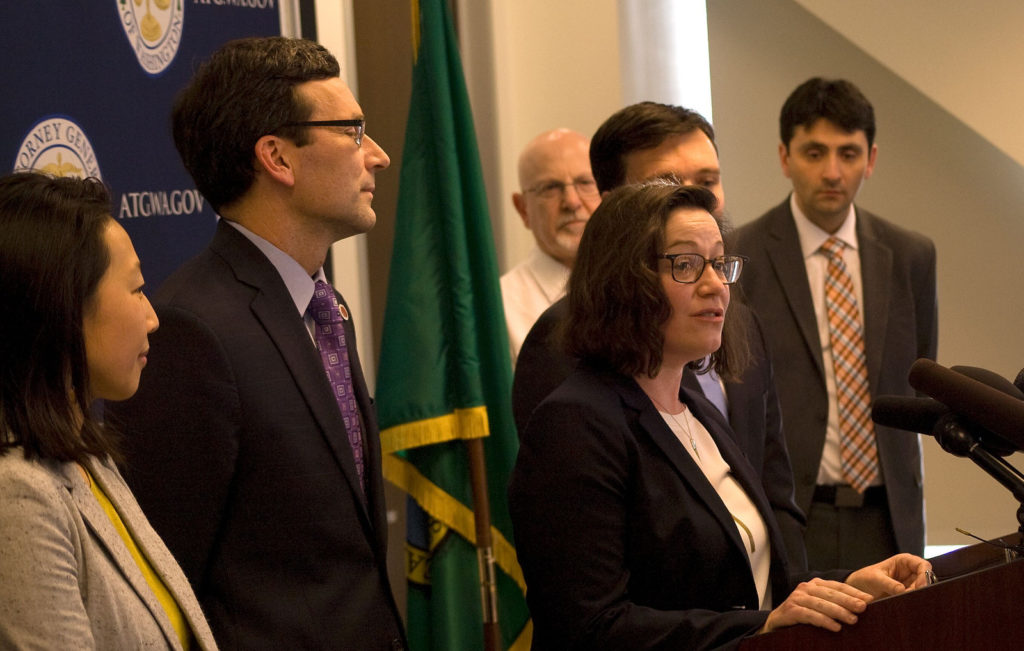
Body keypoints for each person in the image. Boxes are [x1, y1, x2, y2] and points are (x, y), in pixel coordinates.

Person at [507, 180, 932, 650]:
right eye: (687, 264)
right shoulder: (575, 423)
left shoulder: (700, 412)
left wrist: (851, 584)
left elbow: (749, 584)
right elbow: (588, 627)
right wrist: (760, 627)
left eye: (719, 263)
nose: (715, 285)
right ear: (625, 279)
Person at [104, 38, 406, 649]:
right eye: (351, 131)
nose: (377, 155)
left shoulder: (327, 307)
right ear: (277, 157)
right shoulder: (191, 331)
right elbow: (166, 578)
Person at [512, 102, 808, 571]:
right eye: (669, 185)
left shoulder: (736, 320)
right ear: (612, 206)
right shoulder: (562, 341)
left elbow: (774, 495)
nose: (693, 199)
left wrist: (802, 600)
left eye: (708, 181)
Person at [0, 172, 217, 649]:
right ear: (65, 309)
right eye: (137, 289)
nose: (153, 317)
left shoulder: (84, 458)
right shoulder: (17, 494)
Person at [732, 78, 937, 570]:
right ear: (784, 157)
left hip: (890, 514)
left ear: (871, 159)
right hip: (794, 512)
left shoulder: (911, 254)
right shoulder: (743, 257)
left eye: (848, 154)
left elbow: (921, 380)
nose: (832, 172)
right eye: (814, 152)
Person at [501, 128, 600, 364]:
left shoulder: (639, 288)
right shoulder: (498, 310)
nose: (572, 202)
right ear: (523, 208)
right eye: (550, 188)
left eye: (585, 182)